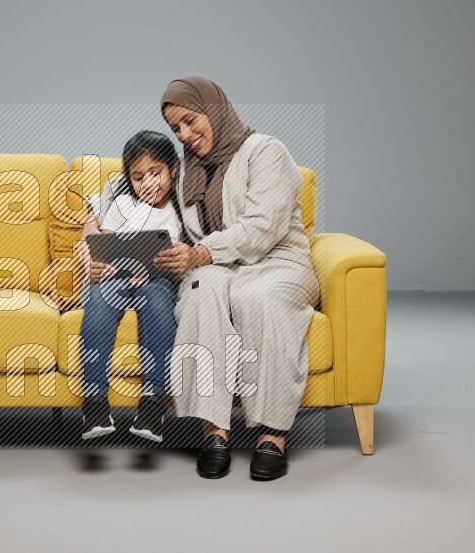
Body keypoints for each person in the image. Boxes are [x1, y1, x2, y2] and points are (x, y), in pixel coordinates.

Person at [152, 75, 320, 480]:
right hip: (218, 267)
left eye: (192, 121)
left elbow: (262, 228)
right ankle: (214, 431)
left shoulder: (266, 152)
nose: (186, 134)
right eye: (176, 129)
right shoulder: (187, 170)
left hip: (278, 262)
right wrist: (95, 221)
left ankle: (271, 434)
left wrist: (202, 253)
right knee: (199, 290)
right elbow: (135, 183)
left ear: (214, 109)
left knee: (258, 297)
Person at [77, 130, 182, 443]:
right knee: (98, 303)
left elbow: (181, 254)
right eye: (138, 177)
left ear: (172, 170)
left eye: (155, 173)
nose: (147, 183)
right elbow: (103, 240)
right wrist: (100, 261)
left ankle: (153, 403)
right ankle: (94, 402)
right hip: (114, 276)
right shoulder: (121, 202)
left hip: (156, 279)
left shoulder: (179, 210)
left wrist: (156, 267)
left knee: (161, 306)